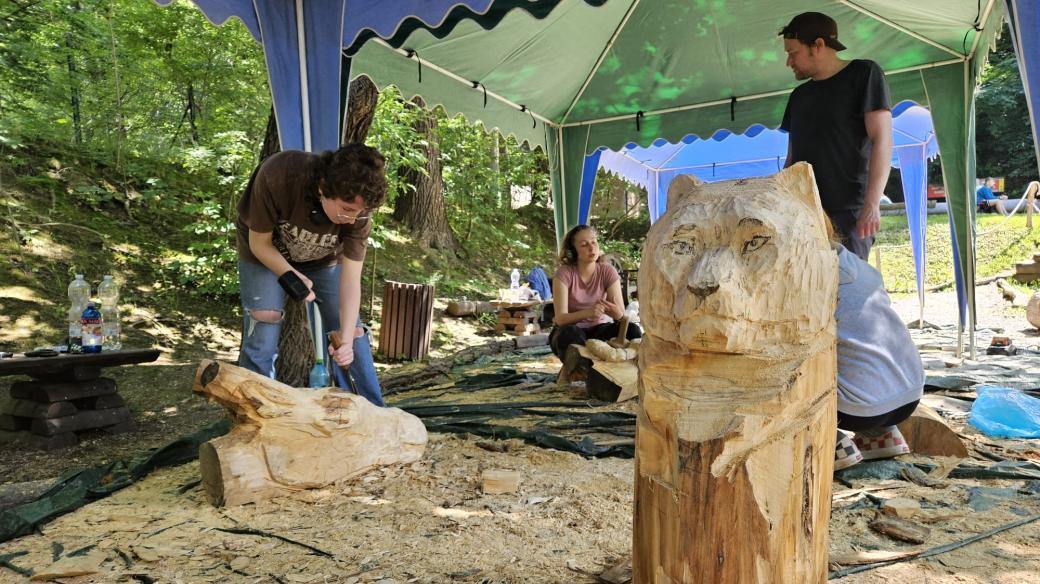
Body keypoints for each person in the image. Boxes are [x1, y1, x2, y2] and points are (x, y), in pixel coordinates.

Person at [235, 144, 387, 406]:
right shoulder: (281, 174)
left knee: (350, 331)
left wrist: (347, 342)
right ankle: (254, 414)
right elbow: (260, 244)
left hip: (325, 258)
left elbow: (350, 283)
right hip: (265, 252)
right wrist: (290, 275)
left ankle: (371, 411)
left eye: (360, 213)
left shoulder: (358, 214)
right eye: (347, 210)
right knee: (264, 319)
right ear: (324, 188)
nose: (353, 220)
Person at [779, 11, 893, 261]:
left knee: (847, 293)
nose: (789, 62)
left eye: (793, 53)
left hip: (850, 217)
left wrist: (872, 205)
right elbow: (790, 160)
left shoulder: (864, 74)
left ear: (818, 45)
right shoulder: (798, 97)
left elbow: (882, 140)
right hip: (804, 216)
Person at [830, 228, 924, 470]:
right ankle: (880, 436)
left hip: (860, 410)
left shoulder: (812, 277)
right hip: (911, 394)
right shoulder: (861, 267)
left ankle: (829, 442)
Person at [550, 224, 641, 361]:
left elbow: (621, 315)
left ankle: (628, 372)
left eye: (593, 242)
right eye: (584, 244)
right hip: (571, 330)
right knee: (569, 334)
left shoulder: (607, 271)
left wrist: (617, 313)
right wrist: (588, 312)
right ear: (572, 251)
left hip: (600, 329)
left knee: (633, 330)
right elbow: (560, 319)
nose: (591, 248)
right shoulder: (564, 273)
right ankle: (579, 370)